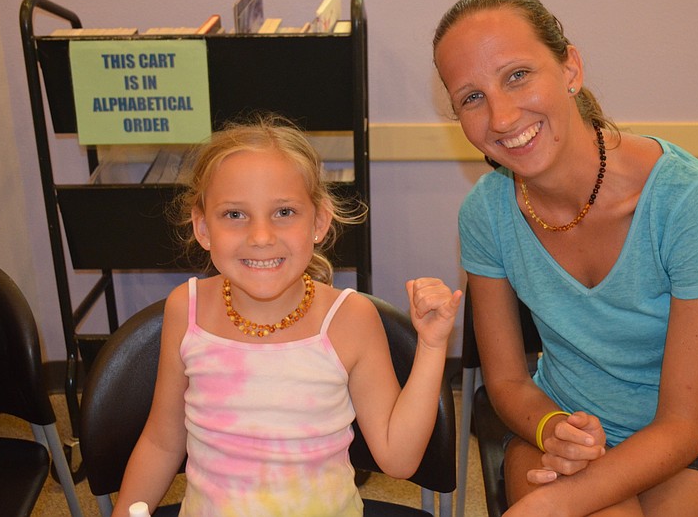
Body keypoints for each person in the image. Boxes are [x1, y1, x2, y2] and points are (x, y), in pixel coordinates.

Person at [433, 0, 698, 516]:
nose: (501, 115)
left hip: (695, 448)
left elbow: (683, 425)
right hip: (560, 432)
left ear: (570, 69)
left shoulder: (688, 198)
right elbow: (510, 381)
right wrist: (552, 426)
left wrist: (557, 506)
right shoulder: (486, 214)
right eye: (471, 97)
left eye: (517, 75)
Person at [112, 114, 462, 516]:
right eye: (234, 215)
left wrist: (433, 344)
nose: (261, 236)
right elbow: (161, 442)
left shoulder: (351, 319)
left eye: (283, 212)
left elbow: (398, 458)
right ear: (203, 228)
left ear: (319, 221)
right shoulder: (185, 308)